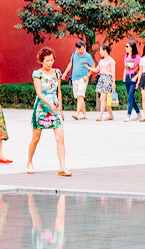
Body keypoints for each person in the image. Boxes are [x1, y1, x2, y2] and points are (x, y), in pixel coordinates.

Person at [27, 47, 71, 176]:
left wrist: (60, 109)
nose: (50, 63)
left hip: (55, 108)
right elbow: (39, 93)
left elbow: (59, 91)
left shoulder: (57, 73)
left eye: (51, 60)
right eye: (47, 60)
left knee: (60, 138)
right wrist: (49, 104)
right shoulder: (37, 74)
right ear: (41, 61)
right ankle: (29, 162)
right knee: (35, 138)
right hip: (42, 107)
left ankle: (62, 167)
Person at [62, 40, 95, 120]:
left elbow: (93, 67)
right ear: (76, 48)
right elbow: (71, 63)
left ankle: (77, 113)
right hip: (74, 78)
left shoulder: (87, 56)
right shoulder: (74, 54)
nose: (81, 51)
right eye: (79, 49)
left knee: (80, 95)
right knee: (79, 96)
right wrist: (65, 73)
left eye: (83, 49)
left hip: (83, 78)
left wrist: (87, 75)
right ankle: (84, 114)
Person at [94, 44, 117, 121]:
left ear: (105, 50)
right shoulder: (101, 60)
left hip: (108, 79)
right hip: (102, 79)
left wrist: (113, 82)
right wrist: (87, 67)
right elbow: (97, 70)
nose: (100, 52)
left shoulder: (111, 61)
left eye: (101, 50)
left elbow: (113, 72)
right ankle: (111, 115)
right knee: (105, 99)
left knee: (102, 98)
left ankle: (100, 116)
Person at [123, 41, 142, 121]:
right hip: (127, 77)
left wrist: (136, 78)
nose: (126, 48)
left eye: (127, 46)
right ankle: (139, 114)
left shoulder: (137, 57)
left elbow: (141, 69)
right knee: (131, 97)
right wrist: (123, 76)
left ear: (131, 48)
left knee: (130, 96)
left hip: (134, 77)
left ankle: (128, 115)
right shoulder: (126, 57)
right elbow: (125, 68)